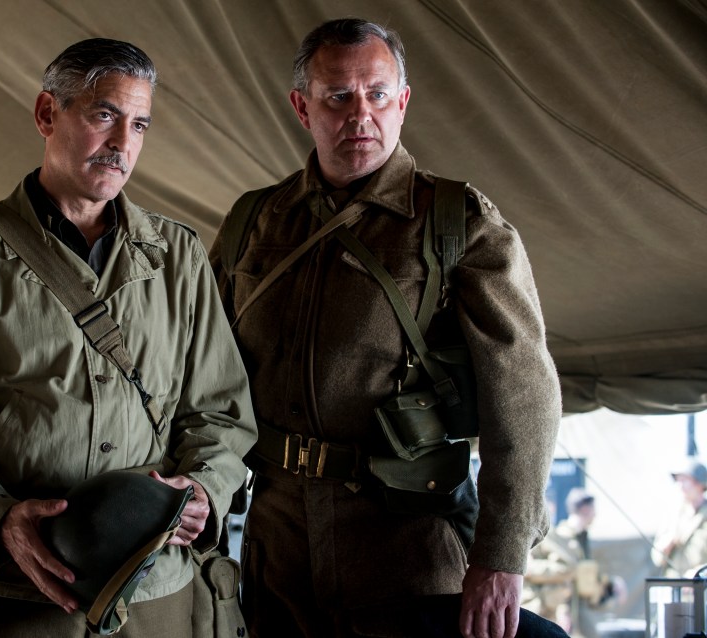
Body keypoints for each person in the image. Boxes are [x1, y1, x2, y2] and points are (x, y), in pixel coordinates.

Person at [0, 38, 257, 637]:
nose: (123, 143)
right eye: (104, 115)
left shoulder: (178, 256)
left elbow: (220, 411)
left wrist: (205, 486)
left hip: (159, 591)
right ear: (48, 114)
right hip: (15, 594)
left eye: (140, 124)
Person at [210, 18, 564, 638]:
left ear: (402, 102)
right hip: (277, 548)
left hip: (407, 547)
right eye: (338, 96)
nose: (360, 115)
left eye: (377, 94)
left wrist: (501, 555)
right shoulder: (255, 222)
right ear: (302, 107)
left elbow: (525, 395)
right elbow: (200, 373)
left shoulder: (456, 221)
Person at [523, 489, 626, 637]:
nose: (595, 514)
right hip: (547, 610)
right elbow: (532, 568)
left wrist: (610, 585)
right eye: (593, 509)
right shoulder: (556, 537)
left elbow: (582, 580)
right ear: (585, 508)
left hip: (576, 612)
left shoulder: (582, 540)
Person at [651, 459, 707, 578]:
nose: (680, 486)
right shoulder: (673, 515)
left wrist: (699, 573)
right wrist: (667, 544)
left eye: (685, 480)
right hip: (674, 584)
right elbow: (656, 557)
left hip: (701, 587)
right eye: (678, 481)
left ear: (700, 484)